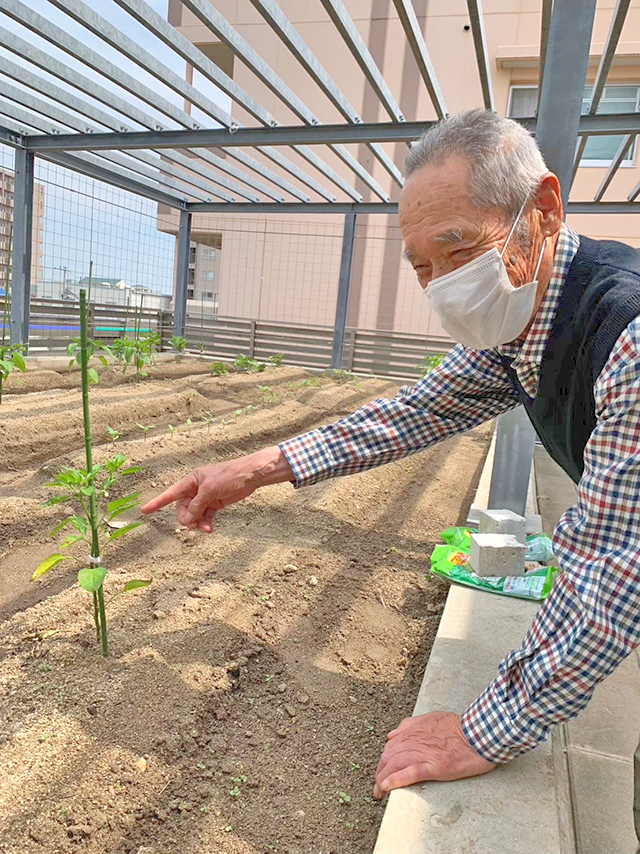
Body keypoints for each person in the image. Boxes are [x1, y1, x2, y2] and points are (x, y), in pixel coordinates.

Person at [142, 109, 640, 807]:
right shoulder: (524, 323)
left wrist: (485, 730)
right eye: (423, 267)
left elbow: (612, 566)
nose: (443, 286)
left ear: (544, 211)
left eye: (459, 251)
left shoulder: (627, 336)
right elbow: (416, 412)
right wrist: (254, 468)